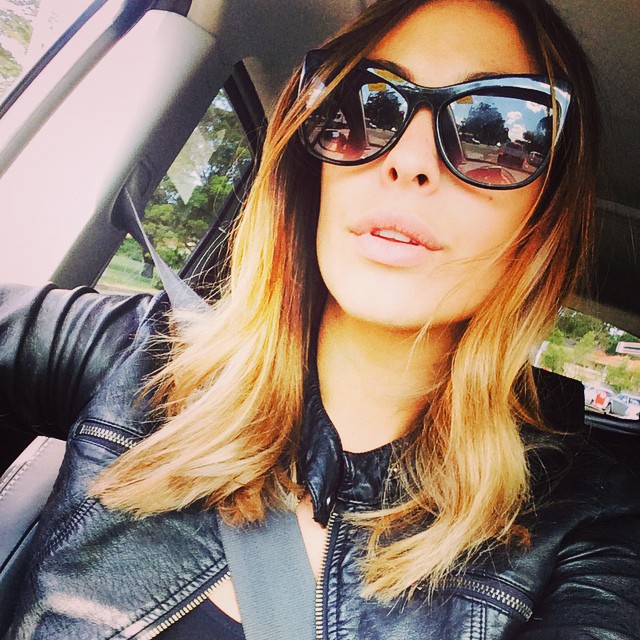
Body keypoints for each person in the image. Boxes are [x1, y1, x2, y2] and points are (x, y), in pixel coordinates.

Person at [3, 0, 640, 637]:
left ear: (541, 221)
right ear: (318, 165)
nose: (409, 160)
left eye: (495, 134)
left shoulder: (587, 524)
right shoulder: (141, 356)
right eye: (368, 107)